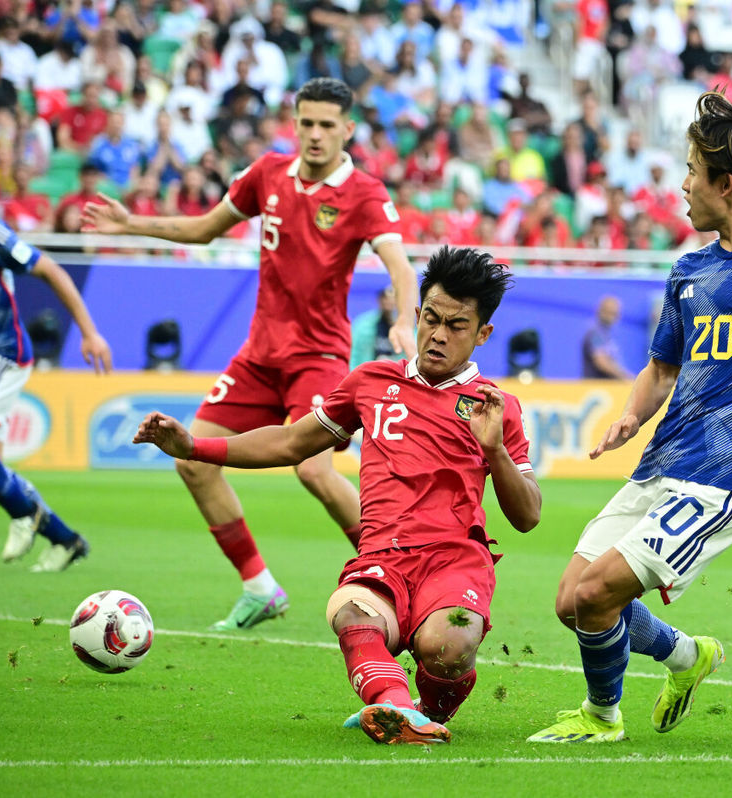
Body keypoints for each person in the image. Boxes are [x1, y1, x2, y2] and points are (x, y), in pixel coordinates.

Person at [528, 92, 732, 744]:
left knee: (595, 597)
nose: (683, 185)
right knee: (571, 602)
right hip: (663, 462)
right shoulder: (688, 269)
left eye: (694, 173)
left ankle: (601, 716)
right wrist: (630, 415)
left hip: (724, 476)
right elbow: (661, 368)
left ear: (725, 185)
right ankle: (684, 656)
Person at [134, 246, 541, 745]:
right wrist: (195, 446)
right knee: (348, 611)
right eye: (430, 318)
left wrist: (495, 451)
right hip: (383, 557)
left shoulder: (498, 407)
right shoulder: (371, 382)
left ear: (483, 335)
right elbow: (290, 442)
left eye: (456, 326)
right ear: (415, 315)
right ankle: (397, 713)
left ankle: (429, 708)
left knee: (448, 641)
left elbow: (528, 516)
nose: (437, 335)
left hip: (454, 561)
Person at [83, 78, 418, 631]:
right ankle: (260, 587)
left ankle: (397, 570)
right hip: (259, 356)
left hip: (318, 356)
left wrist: (404, 316)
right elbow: (205, 229)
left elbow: (400, 266)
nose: (315, 134)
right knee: (191, 458)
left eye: (327, 125)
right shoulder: (267, 173)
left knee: (312, 471)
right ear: (295, 123)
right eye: (306, 122)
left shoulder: (364, 193)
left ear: (348, 130)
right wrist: (130, 223)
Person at [0, 146, 112, 572]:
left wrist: (89, 332)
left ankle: (25, 514)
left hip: (4, 351)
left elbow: (50, 269)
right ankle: (65, 540)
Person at [582, 296, 631, 380]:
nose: (613, 316)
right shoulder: (595, 333)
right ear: (600, 311)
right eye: (609, 312)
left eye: (615, 313)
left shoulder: (607, 334)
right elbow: (601, 361)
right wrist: (625, 377)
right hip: (597, 388)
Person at [350, 286, 399, 368]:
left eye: (392, 298)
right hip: (368, 372)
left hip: (394, 374)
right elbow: (354, 354)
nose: (389, 302)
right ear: (380, 300)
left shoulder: (406, 328)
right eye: (385, 298)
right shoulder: (363, 324)